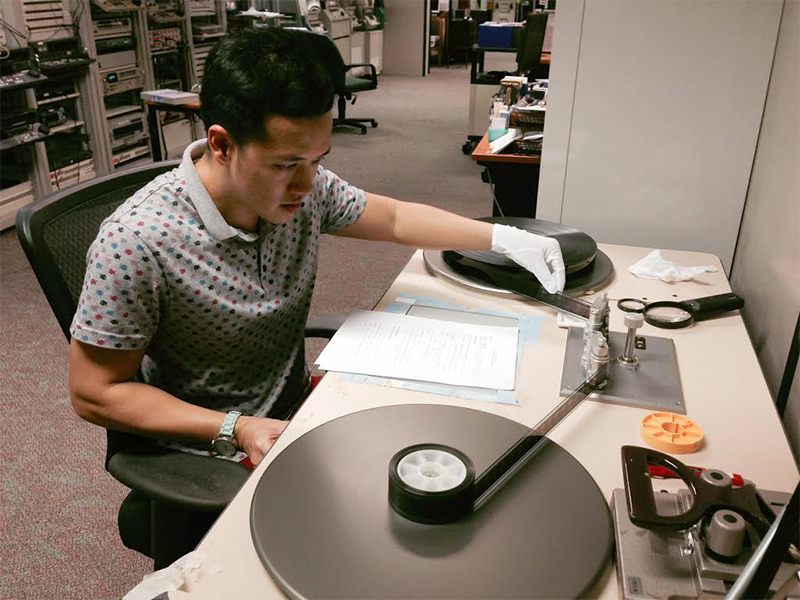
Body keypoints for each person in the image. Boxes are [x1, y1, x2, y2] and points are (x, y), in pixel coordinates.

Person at [68, 27, 564, 468]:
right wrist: (235, 428)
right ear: (221, 145)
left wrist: (503, 237)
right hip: (208, 444)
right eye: (287, 164)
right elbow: (95, 393)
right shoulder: (135, 244)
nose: (309, 183)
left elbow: (393, 218)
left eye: (317, 159)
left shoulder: (303, 189)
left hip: (297, 409)